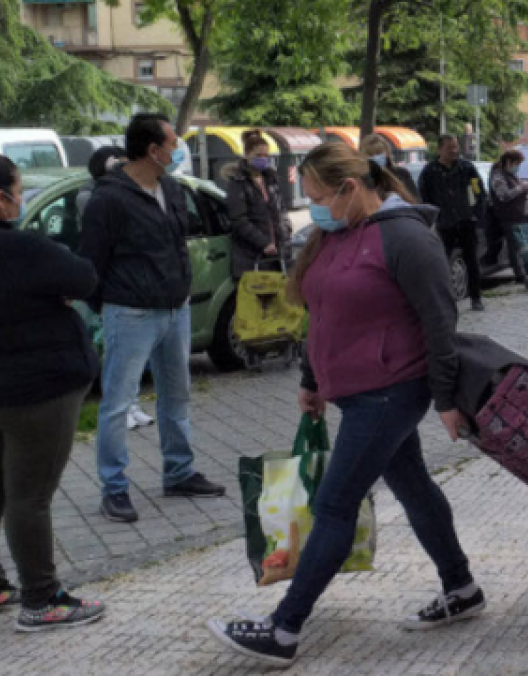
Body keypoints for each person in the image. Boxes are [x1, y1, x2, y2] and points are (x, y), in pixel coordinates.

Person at [207, 142, 485, 667]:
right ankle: (462, 587)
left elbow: (440, 322)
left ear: (351, 188)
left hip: (390, 391)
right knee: (414, 487)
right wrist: (311, 379)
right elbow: (321, 313)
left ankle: (284, 629)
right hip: (356, 391)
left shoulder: (406, 237)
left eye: (318, 198)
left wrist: (446, 399)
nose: (313, 208)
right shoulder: (336, 234)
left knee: (335, 505)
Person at [79, 113, 226, 524]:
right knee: (117, 404)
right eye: (173, 143)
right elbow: (91, 262)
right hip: (130, 313)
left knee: (176, 396)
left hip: (176, 309)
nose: (178, 150)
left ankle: (179, 472)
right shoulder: (109, 199)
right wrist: (108, 306)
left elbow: (178, 244)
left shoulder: (172, 188)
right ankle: (114, 488)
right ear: (153, 150)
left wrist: (181, 289)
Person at [0, 155, 108, 632]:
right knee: (29, 497)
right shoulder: (21, 248)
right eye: (18, 191)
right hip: (38, 391)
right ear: (0, 199)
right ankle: (42, 599)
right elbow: (84, 277)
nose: (20, 200)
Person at [78, 147, 154, 433]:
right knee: (117, 354)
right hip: (111, 287)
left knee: (134, 354)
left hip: (134, 286)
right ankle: (119, 409)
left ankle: (132, 404)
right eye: (121, 165)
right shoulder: (92, 197)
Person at [418, 135, 487, 312]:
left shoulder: (467, 168)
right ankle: (444, 299)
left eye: (456, 147)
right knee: (442, 262)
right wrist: (433, 219)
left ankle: (476, 298)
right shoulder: (430, 172)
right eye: (450, 148)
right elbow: (424, 198)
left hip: (466, 221)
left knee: (471, 261)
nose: (454, 151)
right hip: (444, 224)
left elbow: (479, 192)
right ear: (440, 149)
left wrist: (476, 214)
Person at [226, 130, 292, 281]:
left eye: (265, 156)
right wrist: (263, 243)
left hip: (278, 255)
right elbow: (239, 219)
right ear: (247, 154)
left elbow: (281, 209)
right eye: (258, 155)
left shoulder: (271, 179)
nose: (263, 159)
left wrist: (286, 229)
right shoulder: (238, 182)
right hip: (252, 257)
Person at [485, 149, 528, 282]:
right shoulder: (498, 176)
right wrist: (521, 188)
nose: (518, 167)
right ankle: (519, 274)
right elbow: (504, 195)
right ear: (509, 162)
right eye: (517, 164)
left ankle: (523, 271)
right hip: (507, 216)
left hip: (516, 215)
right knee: (513, 247)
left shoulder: (510, 175)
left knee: (517, 245)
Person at [359, 134, 419, 202]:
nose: (375, 157)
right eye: (371, 155)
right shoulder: (362, 179)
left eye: (378, 153)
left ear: (387, 153)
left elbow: (415, 201)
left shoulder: (401, 174)